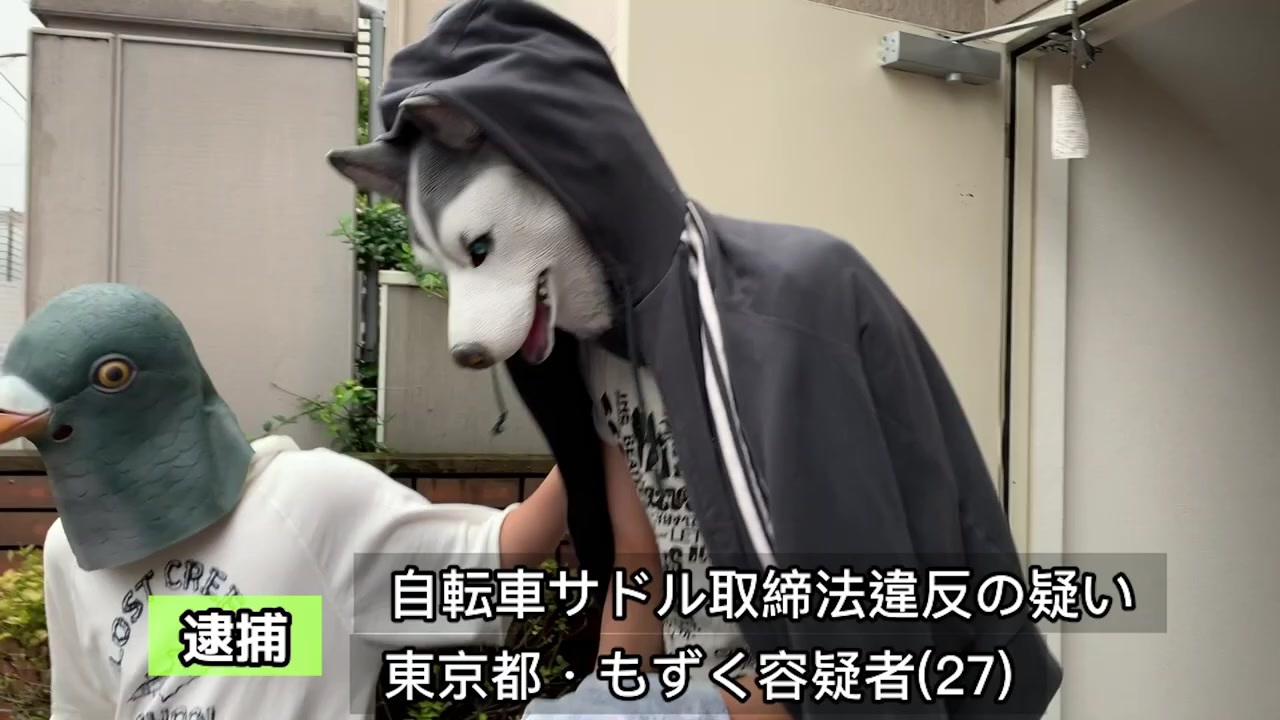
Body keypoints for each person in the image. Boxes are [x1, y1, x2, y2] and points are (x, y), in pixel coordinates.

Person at [0, 283, 570, 719]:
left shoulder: (307, 500)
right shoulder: (67, 552)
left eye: (113, 375)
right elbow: (87, 709)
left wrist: (595, 423)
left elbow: (504, 551)